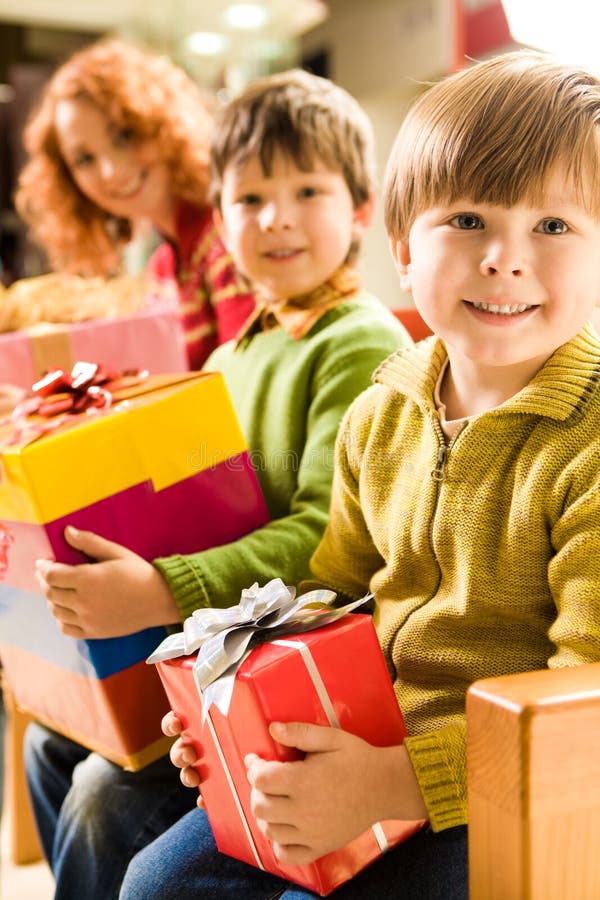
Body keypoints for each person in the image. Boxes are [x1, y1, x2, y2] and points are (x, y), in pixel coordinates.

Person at [124, 50, 600, 900]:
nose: (504, 258)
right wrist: (236, 710)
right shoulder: (378, 414)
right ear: (400, 249)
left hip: (511, 797)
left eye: (554, 228)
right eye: (466, 221)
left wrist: (396, 782)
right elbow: (332, 592)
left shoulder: (589, 439)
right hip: (366, 746)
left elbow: (582, 713)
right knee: (154, 883)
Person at [25, 68, 410, 900]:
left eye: (306, 189)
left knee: (99, 795)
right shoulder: (229, 359)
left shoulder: (359, 338)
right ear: (221, 213)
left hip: (296, 671)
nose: (275, 219)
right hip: (218, 657)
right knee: (48, 747)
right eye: (249, 198)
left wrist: (161, 588)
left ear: (361, 209)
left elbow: (323, 536)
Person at [14, 38, 256, 369]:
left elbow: (246, 389)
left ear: (163, 124)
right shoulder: (162, 268)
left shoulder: (228, 239)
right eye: (85, 159)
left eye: (124, 135)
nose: (111, 171)